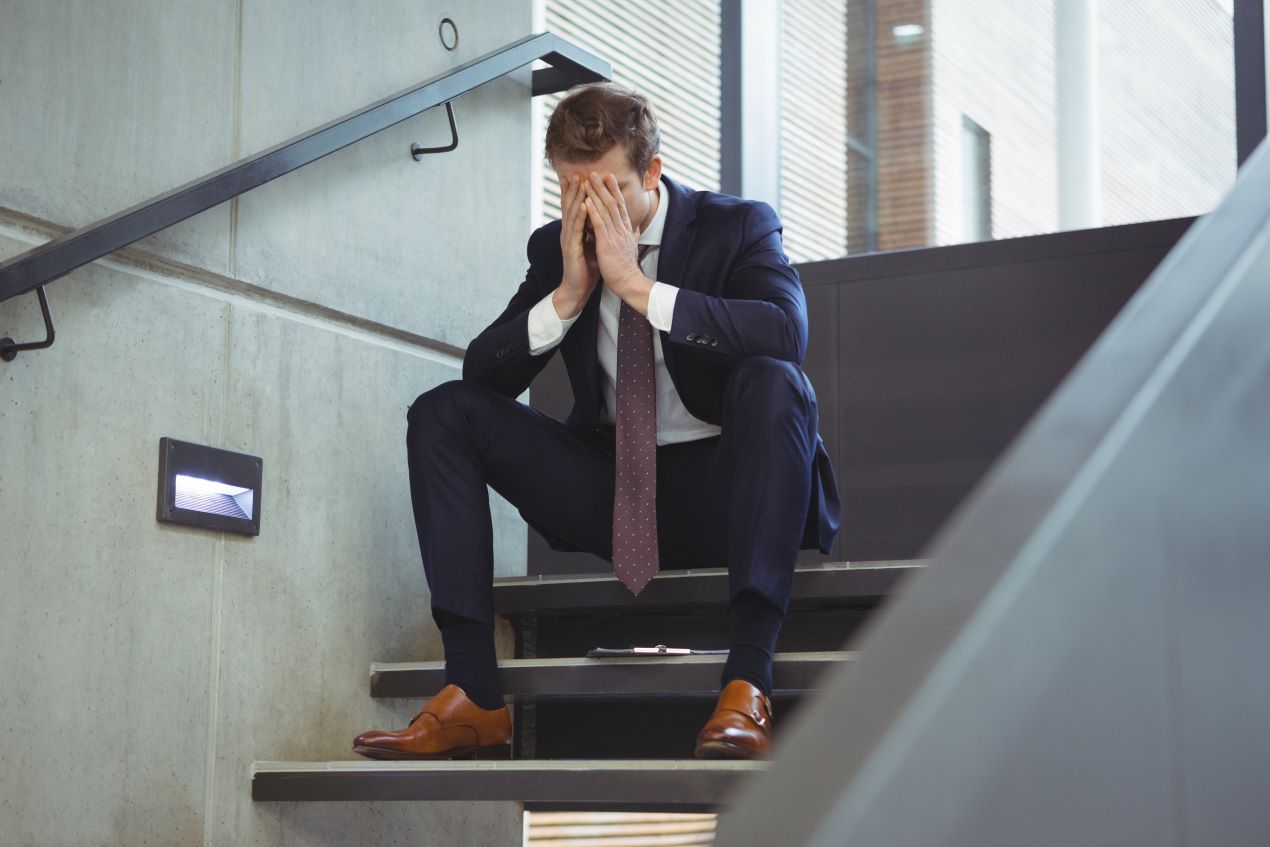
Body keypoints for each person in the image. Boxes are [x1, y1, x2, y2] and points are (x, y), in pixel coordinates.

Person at [352, 81, 840, 762]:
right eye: (573, 193)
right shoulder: (557, 248)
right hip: (619, 492)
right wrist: (568, 294)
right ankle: (473, 693)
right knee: (444, 413)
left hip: (729, 488)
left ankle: (747, 683)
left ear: (653, 173)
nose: (589, 211)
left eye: (607, 190)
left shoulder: (737, 226)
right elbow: (483, 374)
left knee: (773, 378)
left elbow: (785, 332)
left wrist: (640, 288)